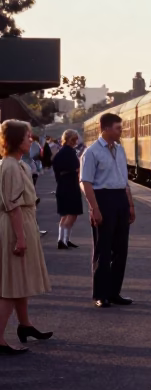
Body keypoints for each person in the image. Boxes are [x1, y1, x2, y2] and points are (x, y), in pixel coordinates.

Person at [0, 120, 53, 355]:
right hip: (16, 225)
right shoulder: (11, 166)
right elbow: (12, 206)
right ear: (15, 140)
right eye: (27, 136)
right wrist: (20, 238)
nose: (31, 139)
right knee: (11, 285)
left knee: (19, 280)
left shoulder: (19, 164)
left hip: (23, 222)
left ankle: (25, 325)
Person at [80, 112, 136, 308]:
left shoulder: (120, 150)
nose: (121, 131)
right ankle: (101, 294)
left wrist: (130, 204)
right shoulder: (92, 152)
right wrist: (94, 208)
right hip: (103, 199)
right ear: (105, 129)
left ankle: (114, 292)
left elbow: (124, 180)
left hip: (120, 198)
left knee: (121, 249)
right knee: (103, 249)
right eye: (118, 128)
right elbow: (85, 182)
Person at [53, 130, 83, 249]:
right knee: (72, 214)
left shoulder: (60, 153)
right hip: (71, 186)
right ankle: (64, 240)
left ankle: (62, 239)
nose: (76, 141)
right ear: (70, 140)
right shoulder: (70, 153)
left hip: (62, 186)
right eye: (74, 139)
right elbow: (76, 168)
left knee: (65, 214)